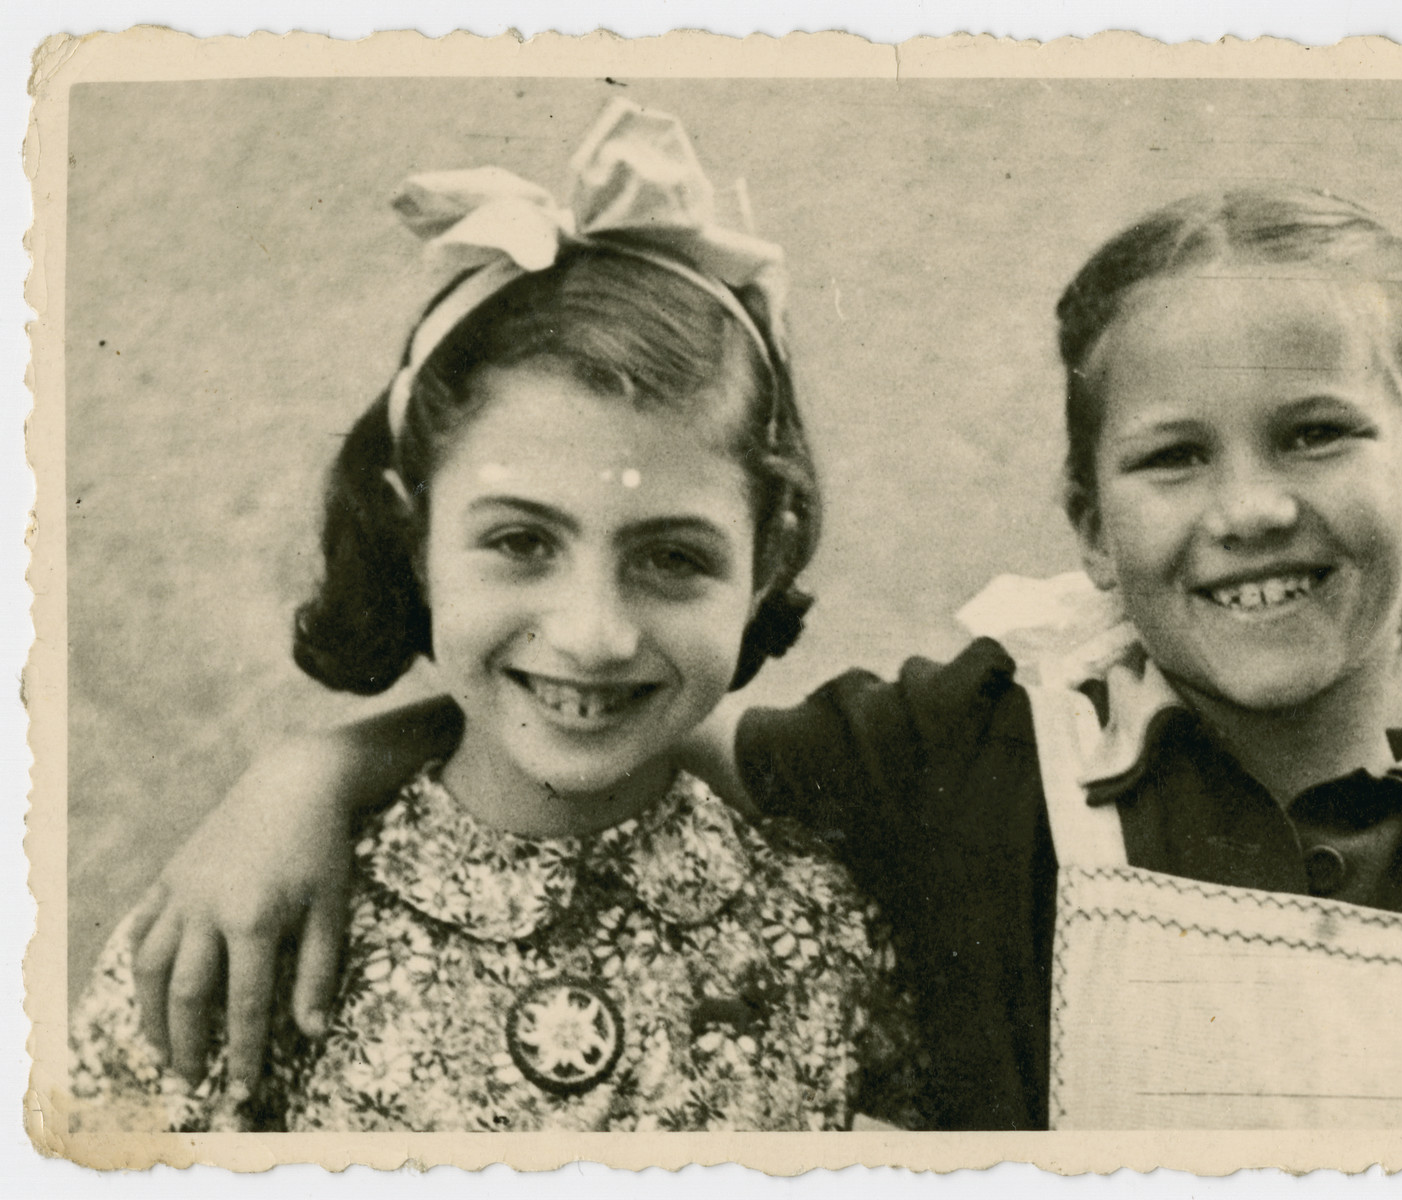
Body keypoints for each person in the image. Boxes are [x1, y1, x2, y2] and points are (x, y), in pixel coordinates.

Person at [129, 187, 1402, 1131]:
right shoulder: (981, 753)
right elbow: (625, 728)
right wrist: (309, 768)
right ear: (1085, 521)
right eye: (1172, 456)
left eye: (1316, 433)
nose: (1251, 509)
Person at [68, 100, 918, 1133]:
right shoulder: (247, 923)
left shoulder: (833, 925)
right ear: (411, 530)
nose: (593, 632)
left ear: (768, 554)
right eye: (521, 542)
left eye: (673, 557)